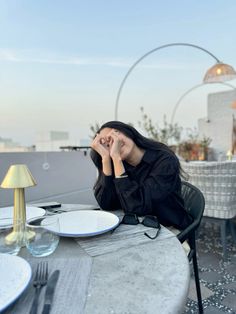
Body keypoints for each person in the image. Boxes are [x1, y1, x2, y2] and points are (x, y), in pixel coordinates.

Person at [90, 121, 193, 229]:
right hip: (138, 227)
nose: (114, 143)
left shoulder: (165, 160)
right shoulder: (118, 165)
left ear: (128, 132)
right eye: (107, 144)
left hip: (171, 228)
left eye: (115, 135)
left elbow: (137, 207)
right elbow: (106, 204)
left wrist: (116, 157)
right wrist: (106, 159)